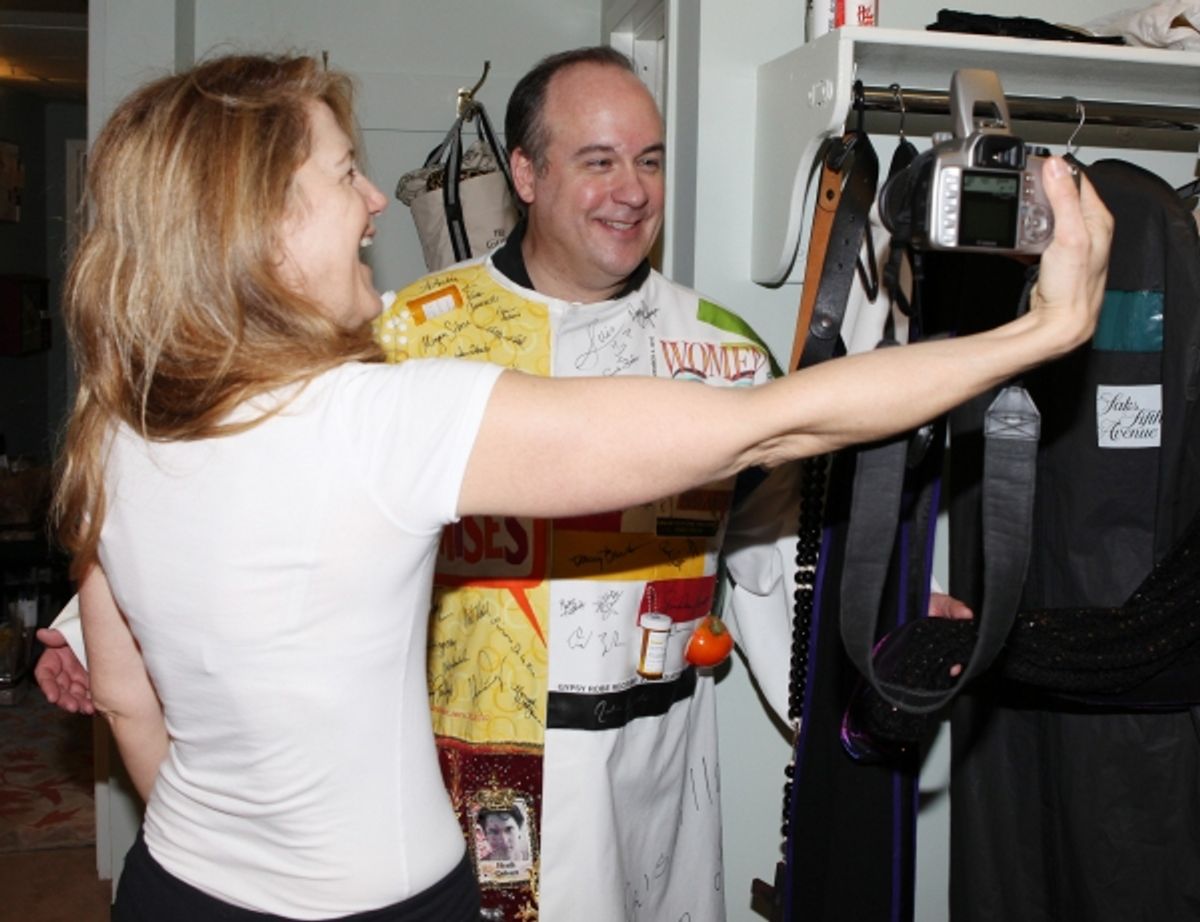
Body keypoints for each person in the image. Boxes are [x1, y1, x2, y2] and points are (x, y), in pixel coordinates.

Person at [40, 47, 1111, 921]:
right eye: (340, 172)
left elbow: (156, 666)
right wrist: (1047, 327)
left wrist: (881, 626)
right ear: (527, 174)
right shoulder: (401, 367)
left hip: (193, 876)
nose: (376, 195)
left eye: (648, 158)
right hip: (464, 789)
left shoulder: (111, 420)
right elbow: (769, 426)